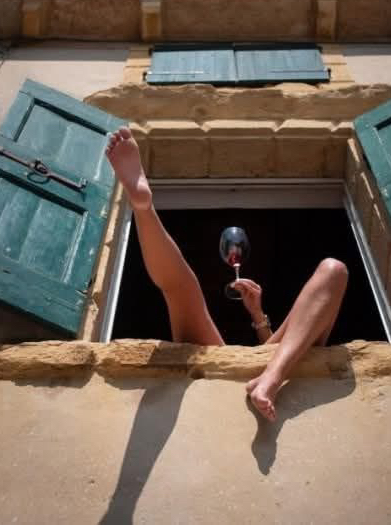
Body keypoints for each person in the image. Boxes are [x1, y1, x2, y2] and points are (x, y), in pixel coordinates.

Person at [106, 127, 348, 421]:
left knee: (333, 271)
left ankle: (271, 378)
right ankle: (143, 208)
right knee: (185, 291)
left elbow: (264, 352)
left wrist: (258, 315)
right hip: (224, 359)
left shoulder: (287, 343)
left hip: (274, 362)